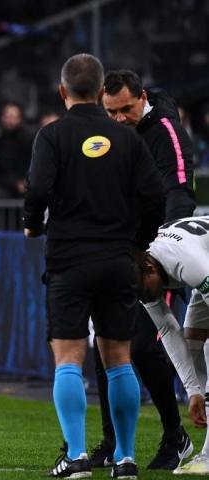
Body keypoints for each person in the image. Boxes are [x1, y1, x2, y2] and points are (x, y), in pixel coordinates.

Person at [23, 54, 164, 478]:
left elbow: (38, 190)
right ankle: (125, 458)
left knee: (68, 357)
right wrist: (137, 243)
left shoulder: (52, 136)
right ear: (102, 92)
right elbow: (155, 198)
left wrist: (33, 225)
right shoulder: (127, 139)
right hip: (118, 261)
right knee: (118, 358)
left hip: (69, 260)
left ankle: (79, 456)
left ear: (63, 91)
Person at [86, 70, 198, 470]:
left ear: (143, 97)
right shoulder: (112, 130)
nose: (118, 119)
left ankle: (175, 435)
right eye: (111, 111)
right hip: (121, 247)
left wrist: (158, 252)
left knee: (143, 345)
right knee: (104, 346)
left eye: (126, 109)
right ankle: (113, 442)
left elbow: (180, 192)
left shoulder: (164, 130)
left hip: (158, 256)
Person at [136, 216, 209, 474]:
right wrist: (194, 392)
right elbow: (167, 328)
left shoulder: (186, 262)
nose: (145, 297)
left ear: (150, 267)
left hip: (202, 260)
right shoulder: (142, 272)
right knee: (193, 343)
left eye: (144, 289)